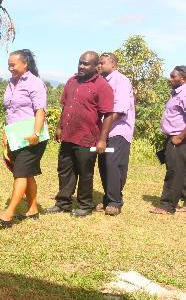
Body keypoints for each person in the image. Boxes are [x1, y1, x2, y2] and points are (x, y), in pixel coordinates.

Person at [45, 51, 115, 218]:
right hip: (68, 135)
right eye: (80, 62)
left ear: (96, 66)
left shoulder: (102, 86)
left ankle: (85, 205)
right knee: (64, 170)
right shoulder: (72, 81)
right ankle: (63, 203)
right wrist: (60, 127)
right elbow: (66, 106)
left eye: (86, 64)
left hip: (87, 138)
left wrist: (102, 140)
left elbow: (109, 115)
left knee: (85, 172)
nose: (82, 66)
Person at [0, 49, 48, 227]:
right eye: (8, 64)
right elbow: (10, 111)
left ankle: (8, 214)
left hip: (32, 136)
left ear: (25, 64)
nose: (10, 68)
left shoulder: (35, 83)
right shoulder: (11, 83)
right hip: (15, 135)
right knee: (27, 173)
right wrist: (5, 133)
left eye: (13, 64)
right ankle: (32, 209)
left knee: (21, 173)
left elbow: (40, 110)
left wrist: (36, 134)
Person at [96, 53, 135, 216]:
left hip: (118, 131)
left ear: (113, 64)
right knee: (104, 165)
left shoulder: (121, 81)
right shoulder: (102, 82)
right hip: (103, 133)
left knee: (114, 166)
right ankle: (108, 198)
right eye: (98, 63)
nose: (99, 66)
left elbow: (119, 111)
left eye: (102, 63)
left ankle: (115, 202)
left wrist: (103, 133)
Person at [150, 66, 186, 215]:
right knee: (182, 172)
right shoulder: (176, 93)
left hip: (179, 138)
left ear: (182, 78)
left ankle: (167, 206)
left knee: (174, 172)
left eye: (173, 76)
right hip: (173, 137)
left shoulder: (184, 94)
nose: (170, 79)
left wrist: (180, 137)